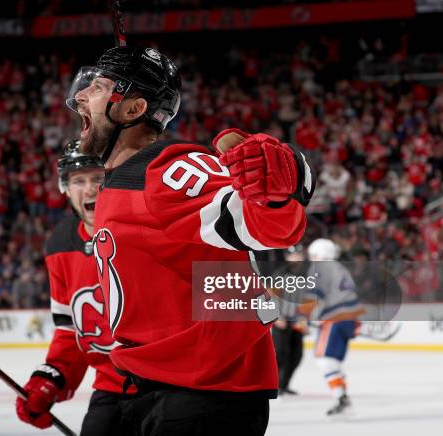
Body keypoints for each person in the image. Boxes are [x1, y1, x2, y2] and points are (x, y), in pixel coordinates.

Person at [66, 46, 316, 435]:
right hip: (151, 386)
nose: (80, 95)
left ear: (132, 110)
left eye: (97, 88)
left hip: (203, 395)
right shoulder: (121, 177)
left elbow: (267, 225)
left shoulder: (167, 168)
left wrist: (278, 190)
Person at [16, 140, 132, 436]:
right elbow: (71, 329)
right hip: (112, 386)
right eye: (78, 180)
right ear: (64, 189)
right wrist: (52, 377)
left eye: (98, 178)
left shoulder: (142, 228)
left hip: (169, 387)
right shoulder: (61, 244)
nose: (90, 189)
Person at [304, 238, 364, 415]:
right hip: (348, 318)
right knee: (334, 362)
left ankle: (341, 398)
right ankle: (342, 396)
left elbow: (315, 294)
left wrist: (304, 316)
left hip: (335, 319)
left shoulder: (321, 268)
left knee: (325, 361)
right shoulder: (341, 268)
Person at [272, 246, 309, 396]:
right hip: (281, 320)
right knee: (280, 353)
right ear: (287, 257)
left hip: (297, 321)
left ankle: (284, 384)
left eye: (299, 254)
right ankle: (274, 385)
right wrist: (276, 317)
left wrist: (305, 319)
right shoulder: (280, 274)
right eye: (293, 255)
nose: (296, 257)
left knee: (296, 354)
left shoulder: (307, 275)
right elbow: (270, 297)